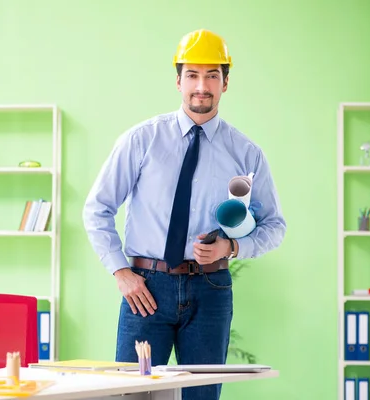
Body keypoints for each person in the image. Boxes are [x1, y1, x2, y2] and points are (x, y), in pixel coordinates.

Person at [82, 29, 286, 400]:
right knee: (132, 394)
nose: (201, 86)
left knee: (203, 396)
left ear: (226, 82)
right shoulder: (142, 140)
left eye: (212, 75)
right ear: (178, 81)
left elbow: (275, 226)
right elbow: (97, 208)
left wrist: (232, 248)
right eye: (192, 74)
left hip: (211, 290)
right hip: (145, 288)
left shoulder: (246, 153)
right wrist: (121, 272)